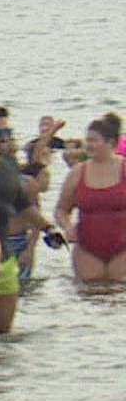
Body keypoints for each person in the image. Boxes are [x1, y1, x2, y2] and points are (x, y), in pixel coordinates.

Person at [0, 105, 59, 333]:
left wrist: (48, 228)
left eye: (9, 133)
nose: (6, 139)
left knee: (3, 338)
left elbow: (23, 204)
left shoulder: (8, 163)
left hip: (3, 256)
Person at [54, 113, 126, 281]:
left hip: (123, 247)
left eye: (94, 140)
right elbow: (61, 209)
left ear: (111, 143)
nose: (88, 145)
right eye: (88, 140)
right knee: (89, 293)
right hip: (87, 247)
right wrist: (67, 227)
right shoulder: (78, 173)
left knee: (120, 293)